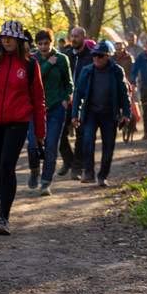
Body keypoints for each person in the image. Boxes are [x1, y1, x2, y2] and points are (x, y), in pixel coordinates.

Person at [0, 20, 46, 235]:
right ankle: (3, 200)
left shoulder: (31, 65)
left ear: (19, 40)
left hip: (18, 121)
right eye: (3, 37)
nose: (6, 40)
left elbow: (38, 101)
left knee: (6, 166)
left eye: (10, 37)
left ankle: (4, 215)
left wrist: (40, 133)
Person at [71, 42, 131, 186]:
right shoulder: (87, 71)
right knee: (87, 141)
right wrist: (75, 114)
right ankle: (89, 173)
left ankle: (102, 176)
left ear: (107, 57)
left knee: (108, 146)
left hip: (110, 115)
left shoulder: (116, 71)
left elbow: (124, 93)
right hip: (91, 113)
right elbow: (78, 93)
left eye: (100, 56)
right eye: (94, 55)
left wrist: (126, 113)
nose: (96, 58)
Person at [26, 29, 73, 196]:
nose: (43, 47)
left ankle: (46, 182)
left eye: (46, 43)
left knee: (51, 145)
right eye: (40, 44)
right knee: (34, 144)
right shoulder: (32, 59)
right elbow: (32, 79)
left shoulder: (62, 59)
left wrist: (65, 100)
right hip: (35, 109)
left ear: (51, 43)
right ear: (36, 45)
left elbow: (69, 84)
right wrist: (47, 64)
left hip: (56, 109)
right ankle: (34, 169)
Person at [58, 26, 92, 179]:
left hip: (84, 101)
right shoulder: (64, 55)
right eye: (72, 36)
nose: (73, 39)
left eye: (77, 36)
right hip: (65, 99)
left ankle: (77, 167)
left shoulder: (91, 57)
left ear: (83, 37)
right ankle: (68, 160)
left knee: (81, 135)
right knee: (59, 133)